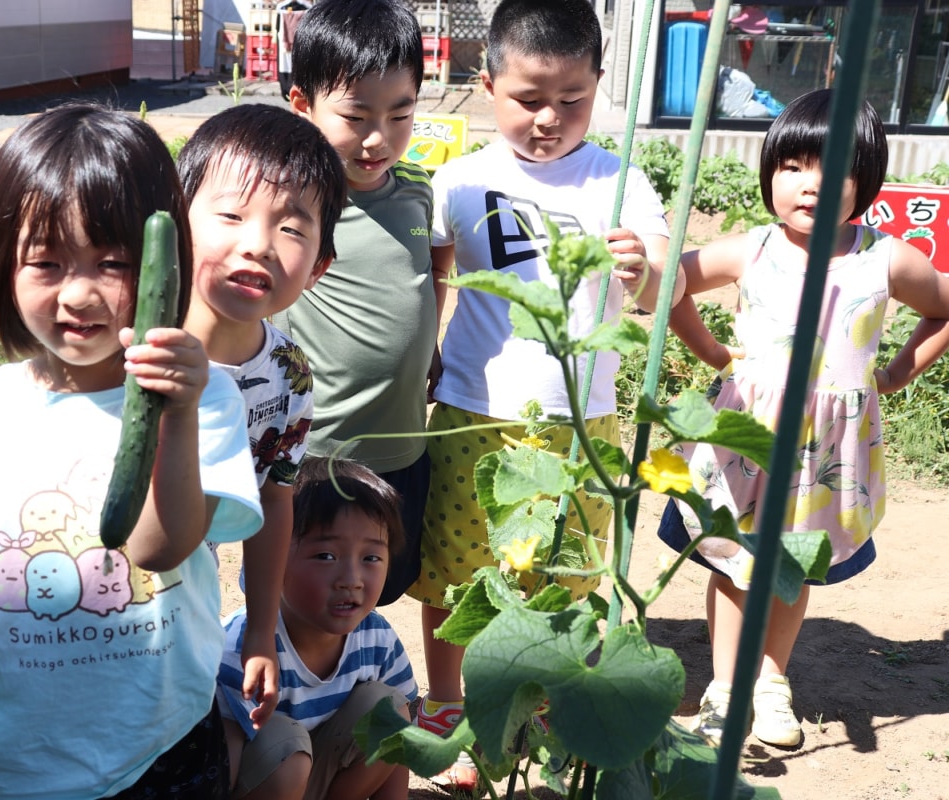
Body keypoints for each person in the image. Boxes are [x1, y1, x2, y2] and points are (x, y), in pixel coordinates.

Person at [0, 104, 264, 800]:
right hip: (19, 750)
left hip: (160, 740)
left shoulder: (207, 397)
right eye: (46, 262)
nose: (78, 293)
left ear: (163, 266)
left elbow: (159, 548)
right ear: (2, 263)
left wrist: (176, 414)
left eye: (113, 262)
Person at [405, 0, 674, 789]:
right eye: (528, 99)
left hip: (581, 421)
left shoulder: (620, 181)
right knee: (455, 568)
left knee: (567, 572)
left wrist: (642, 268)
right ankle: (448, 701)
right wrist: (423, 355)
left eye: (572, 99)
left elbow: (662, 285)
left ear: (599, 86)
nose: (549, 118)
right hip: (473, 406)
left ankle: (548, 707)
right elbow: (434, 279)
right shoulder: (459, 179)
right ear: (487, 84)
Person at [660, 88, 949, 748]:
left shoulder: (886, 257)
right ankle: (725, 688)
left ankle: (770, 682)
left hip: (827, 452)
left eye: (833, 168)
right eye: (792, 166)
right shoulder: (753, 248)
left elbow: (942, 307)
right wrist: (711, 352)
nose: (810, 184)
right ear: (769, 173)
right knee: (734, 565)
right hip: (747, 438)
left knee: (794, 567)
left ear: (866, 180)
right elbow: (671, 281)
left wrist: (896, 373)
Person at [176, 104, 347, 731]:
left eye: (292, 228)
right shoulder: (125, 350)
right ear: (174, 221)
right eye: (230, 215)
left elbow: (275, 500)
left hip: (185, 606)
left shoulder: (288, 373)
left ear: (319, 266)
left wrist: (260, 632)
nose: (257, 244)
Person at [276, 0, 440, 607]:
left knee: (378, 585)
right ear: (302, 105)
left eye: (401, 115)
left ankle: (361, 666)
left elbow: (427, 272)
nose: (379, 139)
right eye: (355, 116)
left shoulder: (417, 190)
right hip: (320, 452)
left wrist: (430, 342)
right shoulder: (292, 201)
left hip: (405, 445)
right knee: (310, 589)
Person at [216, 457, 419, 800]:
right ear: (271, 558)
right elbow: (222, 770)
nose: (351, 580)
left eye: (371, 558)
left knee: (390, 711)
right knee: (285, 745)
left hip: (320, 782)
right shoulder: (243, 649)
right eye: (326, 556)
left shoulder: (377, 639)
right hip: (263, 784)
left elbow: (400, 745)